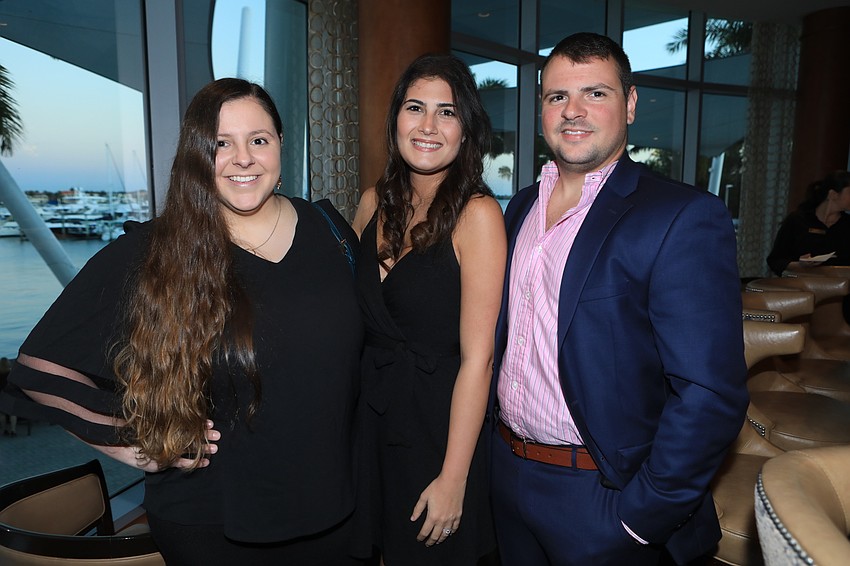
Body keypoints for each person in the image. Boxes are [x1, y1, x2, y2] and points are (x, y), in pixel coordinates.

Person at [0, 78, 365, 565]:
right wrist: (131, 442)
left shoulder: (329, 229)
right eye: (221, 143)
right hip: (214, 525)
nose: (243, 157)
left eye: (258, 139)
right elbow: (38, 370)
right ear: (197, 154)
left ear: (280, 145)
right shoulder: (155, 250)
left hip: (335, 513)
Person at [489, 32, 749, 566]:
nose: (573, 111)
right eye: (557, 96)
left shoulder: (680, 217)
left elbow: (709, 394)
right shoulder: (516, 211)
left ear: (630, 104)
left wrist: (640, 519)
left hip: (602, 498)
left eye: (596, 93)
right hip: (508, 477)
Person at [351, 54, 505, 565]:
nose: (428, 126)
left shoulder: (477, 215)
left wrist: (454, 477)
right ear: (396, 117)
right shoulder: (372, 203)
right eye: (416, 107)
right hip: (367, 422)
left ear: (467, 129)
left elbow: (478, 361)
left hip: (436, 433)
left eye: (448, 111)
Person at [766, 170, 850, 276]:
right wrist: (800, 265)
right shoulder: (797, 220)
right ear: (833, 194)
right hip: (802, 287)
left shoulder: (847, 225)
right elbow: (775, 260)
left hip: (841, 288)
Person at [0, 356, 16, 436]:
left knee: (2, 414)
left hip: (1, 395)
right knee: (12, 413)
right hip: (10, 395)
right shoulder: (11, 373)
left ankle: (4, 429)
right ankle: (13, 430)